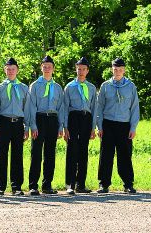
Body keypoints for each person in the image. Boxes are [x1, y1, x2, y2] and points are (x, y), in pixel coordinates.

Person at [96, 58, 139, 194]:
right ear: (112, 69)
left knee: (125, 155)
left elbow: (134, 108)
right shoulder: (105, 86)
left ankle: (128, 184)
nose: (118, 72)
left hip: (124, 125)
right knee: (106, 155)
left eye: (120, 70)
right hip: (108, 124)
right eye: (115, 69)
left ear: (124, 70)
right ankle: (104, 184)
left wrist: (133, 127)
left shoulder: (131, 86)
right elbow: (99, 107)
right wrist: (99, 126)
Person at [26, 55, 64, 195]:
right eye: (44, 66)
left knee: (50, 154)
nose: (47, 69)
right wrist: (33, 126)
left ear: (53, 69)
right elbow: (31, 107)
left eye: (49, 66)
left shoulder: (58, 87)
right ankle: (33, 185)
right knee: (36, 153)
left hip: (53, 120)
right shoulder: (35, 86)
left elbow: (61, 108)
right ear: (41, 68)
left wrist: (60, 126)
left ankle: (47, 185)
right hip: (39, 119)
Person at [0, 58, 29, 196]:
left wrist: (27, 127)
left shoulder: (24, 88)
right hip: (4, 122)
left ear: (17, 70)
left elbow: (27, 109)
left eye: (13, 69)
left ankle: (16, 186)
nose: (10, 71)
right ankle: (0, 186)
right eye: (8, 69)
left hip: (18, 124)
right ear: (4, 70)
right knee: (1, 155)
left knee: (17, 155)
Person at [63, 57, 97, 195]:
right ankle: (69, 184)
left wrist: (93, 127)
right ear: (75, 70)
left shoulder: (92, 88)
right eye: (79, 69)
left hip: (86, 119)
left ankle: (80, 184)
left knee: (83, 151)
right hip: (73, 118)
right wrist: (65, 127)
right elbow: (64, 108)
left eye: (83, 69)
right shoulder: (69, 87)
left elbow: (94, 108)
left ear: (87, 71)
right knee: (72, 150)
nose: (81, 71)